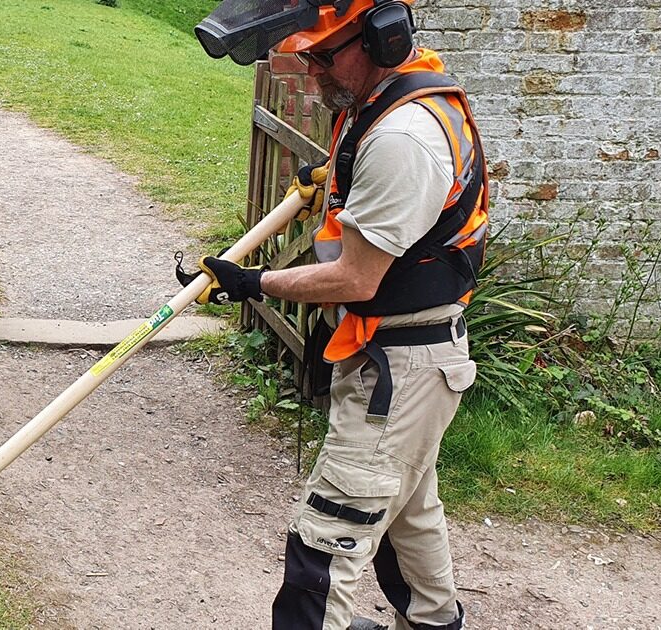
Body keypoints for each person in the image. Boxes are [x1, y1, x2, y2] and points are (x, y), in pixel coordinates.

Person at [185, 1, 490, 628]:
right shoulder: (383, 105)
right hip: (407, 360)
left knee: (325, 546)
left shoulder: (403, 139)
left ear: (381, 41)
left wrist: (251, 281)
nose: (311, 70)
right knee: (409, 528)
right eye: (307, 55)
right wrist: (333, 178)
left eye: (324, 56)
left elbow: (356, 275)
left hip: (401, 370)